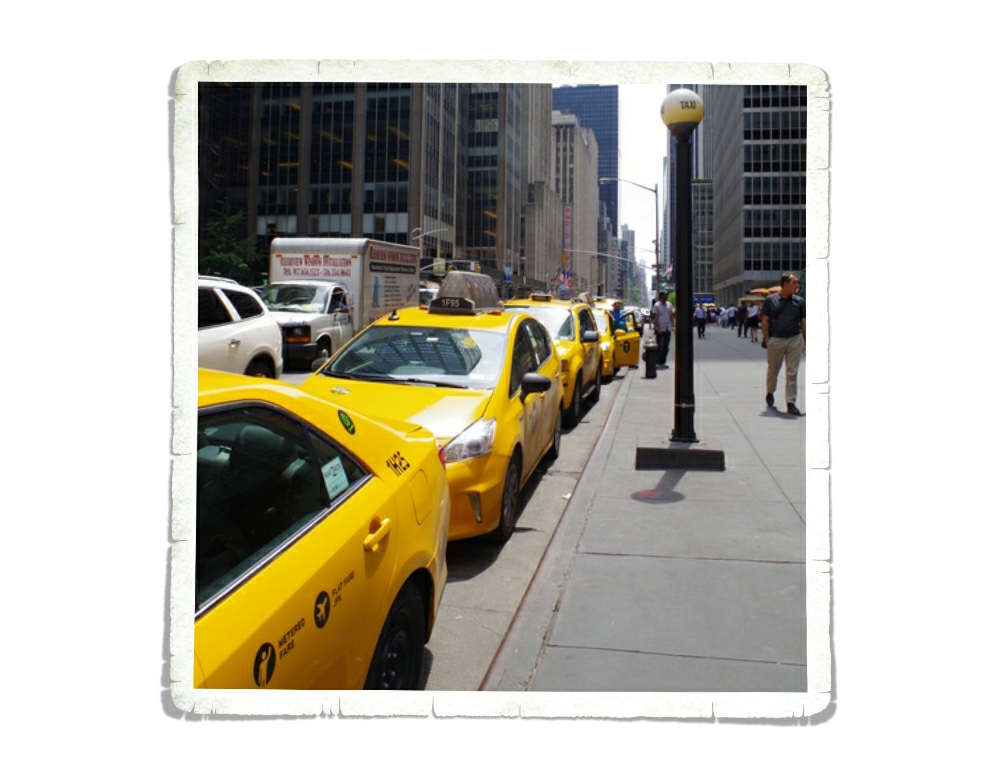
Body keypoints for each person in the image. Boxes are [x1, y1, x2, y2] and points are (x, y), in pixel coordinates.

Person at [761, 273, 806, 415]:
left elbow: (803, 322)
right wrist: (767, 339)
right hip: (776, 340)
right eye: (795, 282)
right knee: (773, 370)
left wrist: (806, 341)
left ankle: (790, 402)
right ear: (786, 284)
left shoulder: (799, 302)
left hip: (794, 339)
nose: (797, 285)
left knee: (792, 371)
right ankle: (770, 392)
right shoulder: (771, 300)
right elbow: (764, 321)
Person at [651, 291, 675, 368]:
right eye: (665, 295)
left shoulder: (669, 305)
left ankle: (663, 362)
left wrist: (673, 326)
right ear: (661, 296)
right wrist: (658, 328)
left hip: (667, 328)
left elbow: (671, 316)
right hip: (660, 328)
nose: (666, 296)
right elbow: (655, 317)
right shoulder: (657, 305)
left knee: (666, 347)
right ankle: (657, 362)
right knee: (659, 346)